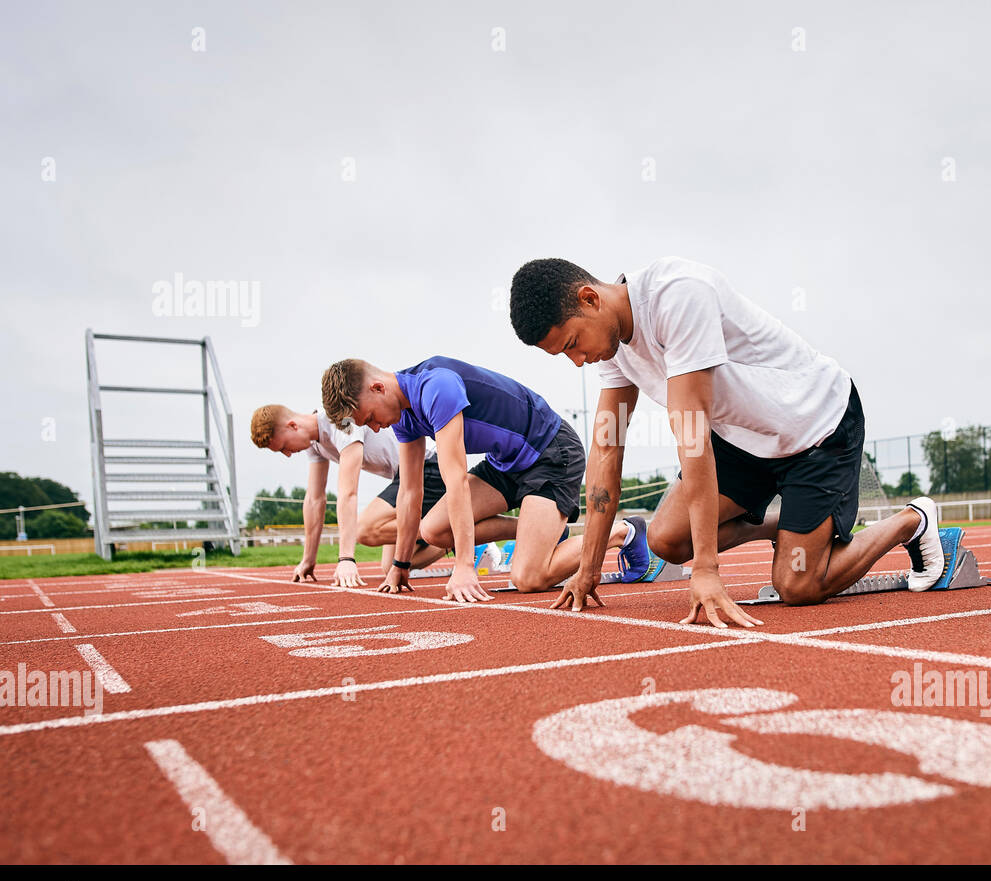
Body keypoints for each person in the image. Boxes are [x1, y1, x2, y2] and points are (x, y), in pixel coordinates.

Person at [508, 256, 944, 629]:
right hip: (744, 439)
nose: (578, 360)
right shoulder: (612, 345)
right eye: (564, 355)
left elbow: (693, 439)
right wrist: (588, 569)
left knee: (796, 587)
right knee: (666, 540)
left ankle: (911, 520)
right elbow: (606, 451)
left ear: (589, 298)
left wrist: (707, 570)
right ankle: (789, 525)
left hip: (814, 428)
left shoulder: (677, 295)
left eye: (572, 344)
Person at [318, 356, 652, 601]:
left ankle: (625, 531)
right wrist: (401, 564)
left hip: (549, 451)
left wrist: (464, 565)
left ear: (378, 388)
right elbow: (409, 492)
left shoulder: (437, 387)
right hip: (505, 463)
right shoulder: (402, 417)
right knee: (432, 529)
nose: (376, 428)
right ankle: (543, 531)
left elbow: (456, 480)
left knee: (529, 578)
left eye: (371, 418)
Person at [249, 404, 462, 585]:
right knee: (390, 566)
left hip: (428, 466)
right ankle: (458, 538)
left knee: (366, 530)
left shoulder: (340, 422)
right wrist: (308, 559)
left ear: (293, 426)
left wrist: (346, 559)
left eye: (284, 447)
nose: (287, 454)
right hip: (404, 476)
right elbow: (315, 499)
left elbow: (348, 492)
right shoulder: (314, 444)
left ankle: (457, 528)